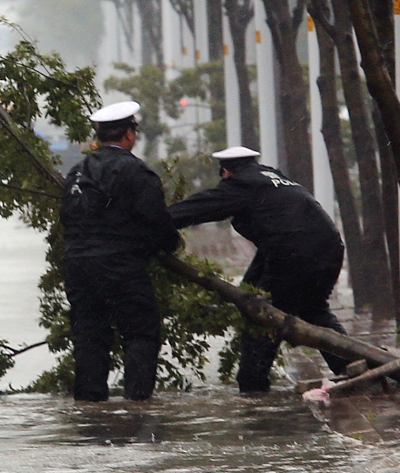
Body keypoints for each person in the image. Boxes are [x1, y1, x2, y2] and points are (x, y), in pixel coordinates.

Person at [168, 146, 352, 391]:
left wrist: (159, 221)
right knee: (312, 308)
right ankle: (350, 364)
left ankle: (253, 389)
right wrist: (245, 294)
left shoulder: (242, 184)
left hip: (293, 255)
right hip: (328, 250)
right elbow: (263, 261)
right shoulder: (277, 179)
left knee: (261, 318)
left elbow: (199, 207)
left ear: (225, 171)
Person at [60, 100, 181, 404]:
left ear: (98, 137)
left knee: (89, 336)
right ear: (129, 135)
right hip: (120, 266)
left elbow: (67, 219)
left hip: (77, 267)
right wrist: (169, 246)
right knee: (140, 333)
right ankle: (137, 408)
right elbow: (157, 223)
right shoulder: (136, 171)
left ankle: (90, 411)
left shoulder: (76, 173)